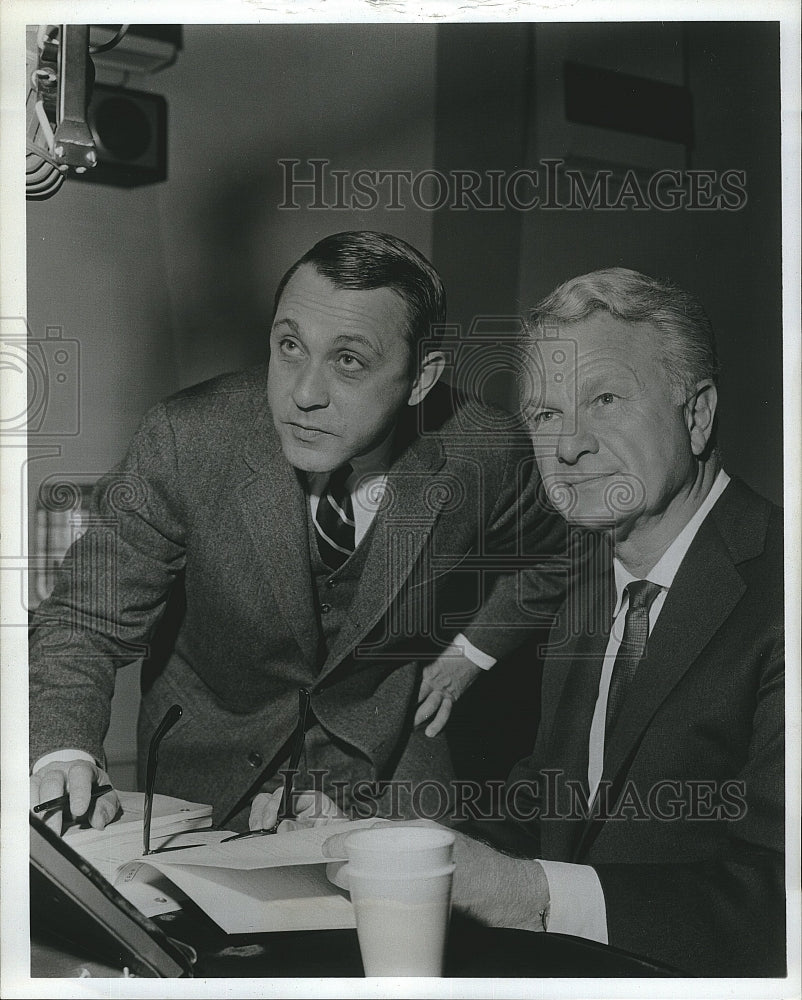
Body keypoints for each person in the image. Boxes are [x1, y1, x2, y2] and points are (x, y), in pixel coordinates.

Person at [261, 267, 785, 977]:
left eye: (604, 400)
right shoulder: (590, 589)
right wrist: (384, 843)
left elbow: (780, 905)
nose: (568, 447)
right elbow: (547, 815)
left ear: (697, 414)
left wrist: (532, 894)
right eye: (544, 415)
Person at [29, 231, 566, 833]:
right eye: (290, 346)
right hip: (211, 772)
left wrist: (472, 652)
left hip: (392, 767)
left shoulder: (484, 449)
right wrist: (65, 750)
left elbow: (558, 553)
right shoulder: (187, 439)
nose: (304, 394)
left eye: (348, 361)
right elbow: (83, 617)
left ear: (421, 378)